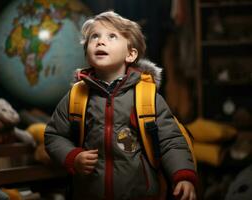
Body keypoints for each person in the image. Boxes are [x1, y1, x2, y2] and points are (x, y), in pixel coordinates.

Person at [44, 11, 197, 200]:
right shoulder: (77, 95)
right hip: (88, 193)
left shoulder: (147, 97)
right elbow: (54, 135)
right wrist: (72, 156)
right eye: (94, 37)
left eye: (111, 36)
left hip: (139, 194)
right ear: (87, 53)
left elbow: (171, 141)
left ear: (131, 54)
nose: (100, 41)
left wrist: (183, 175)